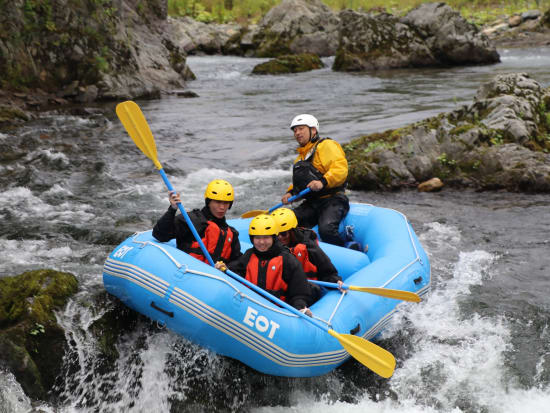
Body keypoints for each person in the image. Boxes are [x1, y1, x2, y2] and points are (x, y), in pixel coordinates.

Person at [215, 214, 312, 315]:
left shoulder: (288, 260)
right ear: (252, 239)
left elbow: (299, 293)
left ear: (274, 238)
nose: (261, 242)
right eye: (257, 238)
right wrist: (225, 270)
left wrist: (300, 308)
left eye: (266, 237)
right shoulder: (249, 255)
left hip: (277, 313)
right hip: (250, 308)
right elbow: (235, 273)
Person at [281, 114, 350, 247]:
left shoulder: (326, 145)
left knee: (327, 229)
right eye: (295, 130)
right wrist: (290, 194)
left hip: (333, 200)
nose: (297, 133)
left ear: (313, 130)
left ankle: (347, 249)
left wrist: (323, 182)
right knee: (287, 223)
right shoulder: (300, 158)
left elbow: (340, 169)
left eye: (301, 129)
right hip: (312, 203)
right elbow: (299, 185)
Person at [152, 179, 242, 264]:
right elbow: (160, 235)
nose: (222, 207)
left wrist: (226, 267)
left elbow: (236, 263)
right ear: (209, 202)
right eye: (218, 202)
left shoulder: (231, 233)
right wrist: (172, 209)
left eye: (225, 203)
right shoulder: (190, 220)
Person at [271, 208, 344, 299]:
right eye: (275, 234)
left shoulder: (308, 246)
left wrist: (336, 281)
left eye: (283, 233)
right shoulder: (270, 245)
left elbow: (327, 271)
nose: (279, 238)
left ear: (292, 231)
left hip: (306, 289)